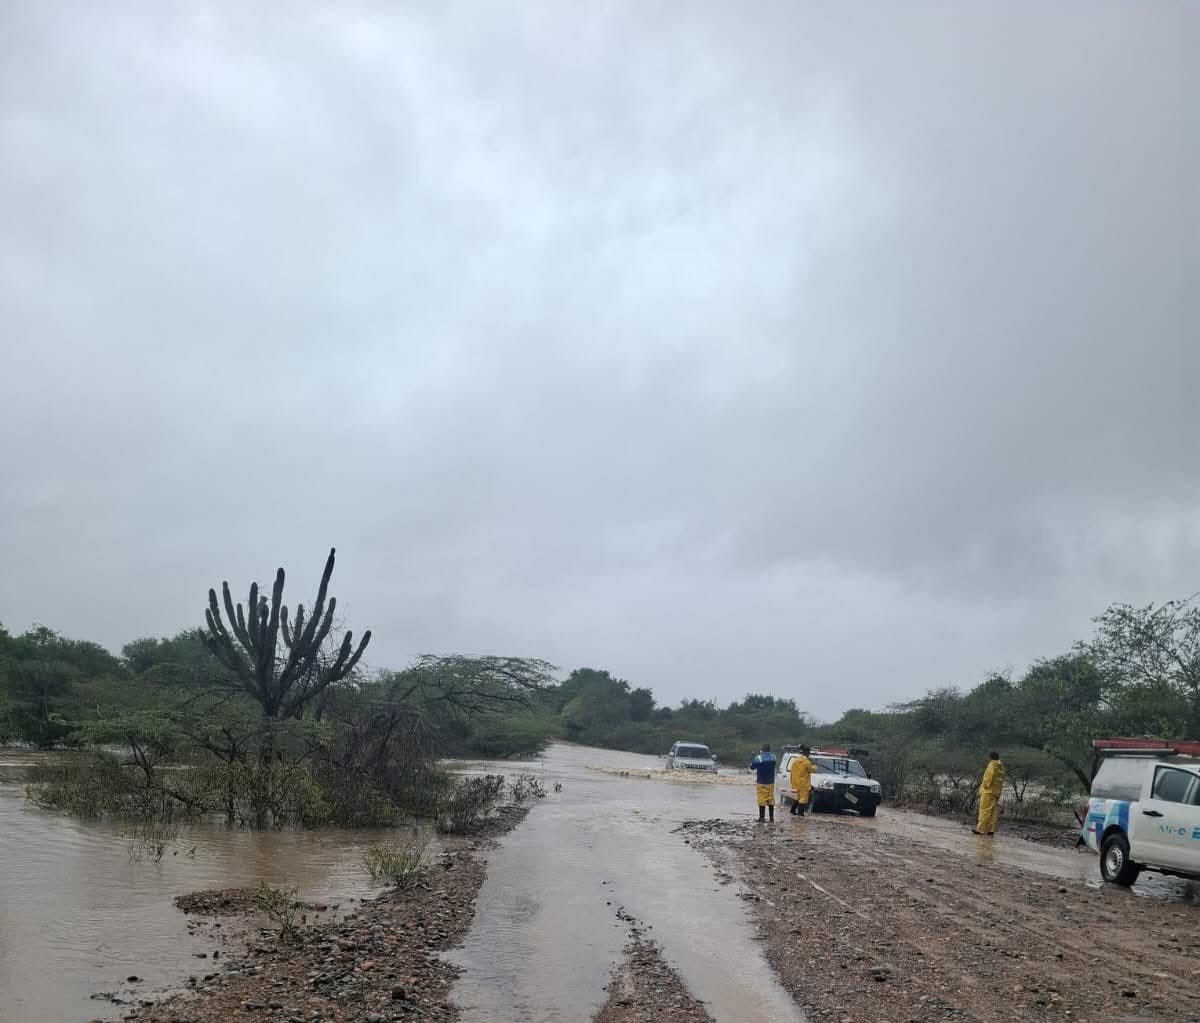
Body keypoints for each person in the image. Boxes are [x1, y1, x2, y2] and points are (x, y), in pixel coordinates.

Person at [973, 751, 1005, 836]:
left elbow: (988, 778)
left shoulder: (992, 765)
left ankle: (980, 830)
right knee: (993, 812)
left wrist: (985, 786)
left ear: (990, 757)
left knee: (984, 810)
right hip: (996, 792)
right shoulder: (1001, 766)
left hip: (988, 792)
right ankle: (991, 830)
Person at [749, 743, 778, 822]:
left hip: (761, 782)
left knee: (762, 799)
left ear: (762, 749)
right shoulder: (774, 757)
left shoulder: (758, 758)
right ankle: (771, 818)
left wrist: (752, 757)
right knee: (771, 799)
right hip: (771, 782)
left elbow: (752, 767)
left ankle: (762, 818)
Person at [789, 745, 816, 816]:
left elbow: (792, 772)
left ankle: (792, 811)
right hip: (803, 784)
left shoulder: (795, 760)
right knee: (803, 799)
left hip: (795, 783)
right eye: (809, 753)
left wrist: (792, 781)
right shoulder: (807, 762)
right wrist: (814, 764)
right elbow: (812, 770)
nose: (809, 754)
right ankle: (800, 814)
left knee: (797, 797)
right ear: (807, 753)